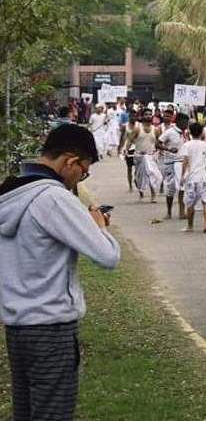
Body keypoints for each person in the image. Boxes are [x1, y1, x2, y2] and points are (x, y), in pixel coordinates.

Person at [0, 124, 120, 420]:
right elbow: (108, 256)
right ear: (70, 161)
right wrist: (99, 226)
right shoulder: (54, 198)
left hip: (17, 328)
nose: (82, 177)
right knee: (53, 413)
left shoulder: (8, 194)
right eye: (84, 169)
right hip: (51, 329)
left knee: (26, 413)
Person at [179, 122, 206, 233]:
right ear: (202, 132)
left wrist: (182, 175)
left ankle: (190, 226)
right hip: (203, 177)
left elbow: (185, 161)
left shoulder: (187, 145)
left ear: (190, 132)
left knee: (190, 203)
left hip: (192, 178)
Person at [156, 112, 188, 220]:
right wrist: (168, 149)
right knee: (170, 188)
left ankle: (182, 212)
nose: (186, 124)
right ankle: (169, 211)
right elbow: (158, 143)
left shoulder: (187, 133)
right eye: (185, 122)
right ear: (178, 121)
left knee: (182, 187)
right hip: (170, 163)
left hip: (183, 162)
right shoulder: (169, 132)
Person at [129, 112, 161, 202]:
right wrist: (125, 150)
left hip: (151, 156)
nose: (148, 116)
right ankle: (140, 189)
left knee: (151, 174)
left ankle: (153, 195)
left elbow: (159, 142)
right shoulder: (137, 129)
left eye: (150, 114)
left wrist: (161, 150)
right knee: (138, 177)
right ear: (142, 116)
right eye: (146, 114)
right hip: (139, 156)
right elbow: (130, 140)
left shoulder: (156, 129)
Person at [121, 112, 138, 192]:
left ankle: (137, 180)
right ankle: (130, 186)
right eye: (132, 116)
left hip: (138, 148)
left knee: (138, 168)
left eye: (135, 116)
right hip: (128, 148)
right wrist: (121, 149)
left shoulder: (139, 126)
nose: (133, 118)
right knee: (129, 168)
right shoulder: (125, 126)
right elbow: (122, 137)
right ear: (129, 117)